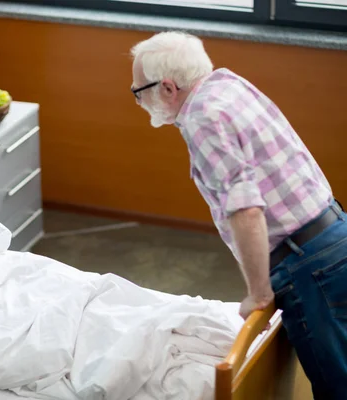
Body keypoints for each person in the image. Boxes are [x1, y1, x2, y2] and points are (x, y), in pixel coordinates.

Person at [130, 31, 346, 398]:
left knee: (336, 386)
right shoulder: (228, 84)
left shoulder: (203, 119)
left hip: (307, 264)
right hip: (334, 233)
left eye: (139, 91)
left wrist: (259, 293)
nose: (138, 100)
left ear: (167, 88)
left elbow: (246, 210)